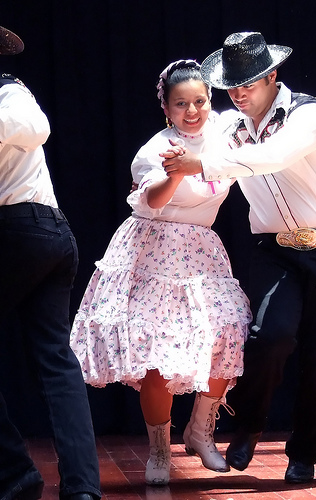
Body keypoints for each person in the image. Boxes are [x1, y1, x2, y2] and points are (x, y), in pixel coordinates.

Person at [161, 32, 316, 484]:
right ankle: (248, 426)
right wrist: (152, 176)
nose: (238, 92)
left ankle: (305, 452)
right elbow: (183, 140)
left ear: (272, 76)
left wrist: (204, 166)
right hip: (274, 249)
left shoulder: (308, 115)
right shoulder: (227, 126)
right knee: (268, 337)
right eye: (231, 85)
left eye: (248, 82)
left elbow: (271, 157)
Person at [70, 59, 251, 486]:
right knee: (156, 358)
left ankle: (200, 430)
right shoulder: (155, 149)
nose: (192, 111)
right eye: (181, 104)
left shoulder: (224, 131)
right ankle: (158, 450)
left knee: (227, 333)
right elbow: (149, 199)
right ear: (166, 108)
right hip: (153, 252)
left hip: (201, 251)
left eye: (199, 101)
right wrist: (174, 172)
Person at [0, 25, 101, 500]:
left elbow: (35, 128)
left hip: (25, 229)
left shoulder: (11, 91)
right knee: (56, 360)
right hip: (40, 234)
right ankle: (79, 487)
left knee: (57, 360)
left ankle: (21, 473)